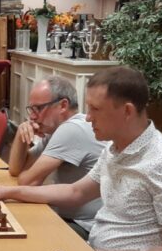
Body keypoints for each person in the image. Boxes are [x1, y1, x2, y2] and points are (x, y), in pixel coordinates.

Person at [0, 66, 162, 251]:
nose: (88, 118)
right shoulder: (114, 149)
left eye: (95, 109)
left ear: (127, 111)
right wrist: (7, 192)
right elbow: (75, 192)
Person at [7, 76, 103, 235]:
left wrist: (25, 177)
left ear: (63, 105)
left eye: (38, 109)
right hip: (68, 217)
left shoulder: (72, 129)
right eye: (31, 109)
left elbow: (27, 182)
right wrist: (20, 134)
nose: (32, 117)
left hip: (85, 226)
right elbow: (16, 170)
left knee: (18, 230)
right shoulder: (56, 130)